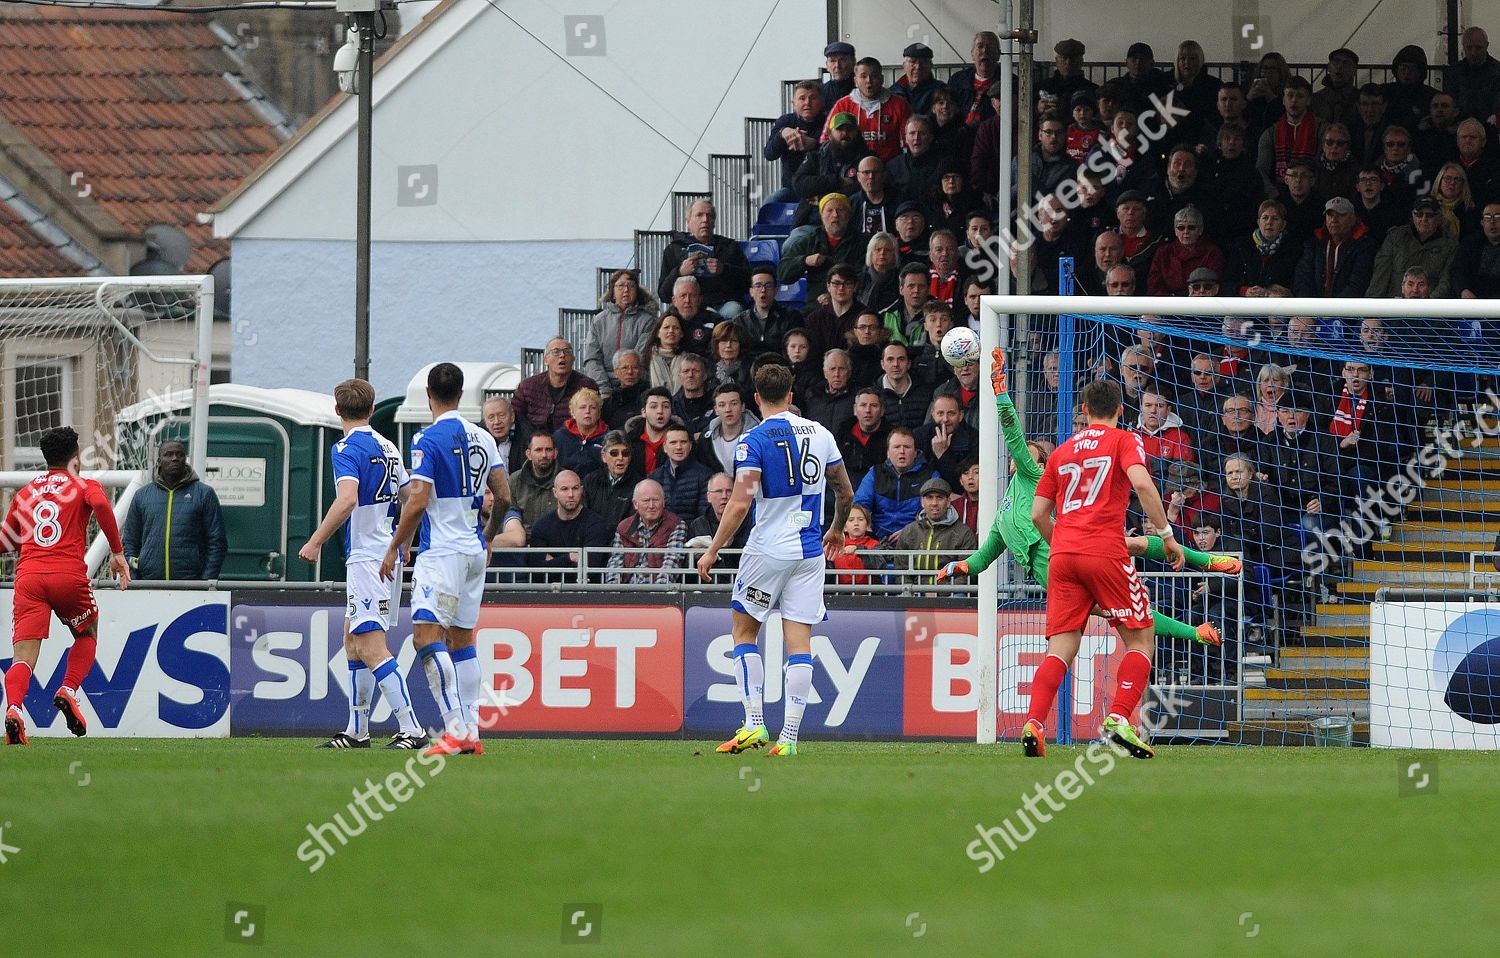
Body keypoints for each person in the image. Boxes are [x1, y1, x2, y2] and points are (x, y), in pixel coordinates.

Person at [937, 350, 1233, 669]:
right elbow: (985, 556)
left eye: (1030, 453)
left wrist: (1000, 391)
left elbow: (1012, 432)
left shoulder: (1032, 474)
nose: (1022, 455)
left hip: (1065, 551)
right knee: (1118, 604)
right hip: (1051, 569)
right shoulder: (1002, 514)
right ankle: (1196, 630)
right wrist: (960, 567)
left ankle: (1207, 562)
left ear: (1036, 464)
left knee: (1125, 574)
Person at [698, 363, 854, 757]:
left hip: (768, 550)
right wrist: (835, 529)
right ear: (791, 394)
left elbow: (739, 502)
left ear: (755, 399)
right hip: (810, 552)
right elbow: (846, 492)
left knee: (744, 632)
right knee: (799, 643)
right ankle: (789, 739)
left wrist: (714, 548)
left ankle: (753, 724)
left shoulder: (753, 441)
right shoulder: (821, 434)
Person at [1023, 376, 1183, 759]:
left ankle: (1033, 723)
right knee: (1141, 638)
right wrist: (1166, 534)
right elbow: (1143, 485)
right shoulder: (1124, 440)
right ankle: (1118, 719)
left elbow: (1038, 514)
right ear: (1121, 410)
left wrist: (1061, 544)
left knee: (1061, 647)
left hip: (1063, 556)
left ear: (1083, 410)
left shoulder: (1061, 452)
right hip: (1105, 551)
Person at [380, 363, 508, 758]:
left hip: (443, 554)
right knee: (461, 640)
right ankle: (470, 728)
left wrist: (395, 544)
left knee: (425, 637)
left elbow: (417, 499)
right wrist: (488, 536)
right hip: (472, 550)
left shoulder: (427, 439)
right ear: (461, 392)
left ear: (429, 396)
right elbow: (503, 496)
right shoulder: (483, 437)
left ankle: (456, 731)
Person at [297, 379, 426, 749]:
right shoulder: (388, 446)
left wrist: (315, 540)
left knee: (370, 645)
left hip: (369, 558)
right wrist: (404, 541)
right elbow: (408, 496)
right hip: (382, 554)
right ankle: (357, 731)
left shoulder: (346, 448)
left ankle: (412, 729)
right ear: (371, 409)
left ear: (338, 411)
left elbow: (347, 499)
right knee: (352, 642)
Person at [0, 426, 130, 745]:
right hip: (67, 575)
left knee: (23, 656)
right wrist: (117, 552)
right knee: (87, 633)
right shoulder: (83, 484)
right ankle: (68, 689)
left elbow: (6, 541)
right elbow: (100, 506)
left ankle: (14, 709)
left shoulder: (27, 493)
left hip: (29, 577)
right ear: (76, 457)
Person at [121, 439, 227, 581]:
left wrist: (205, 581)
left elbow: (217, 542)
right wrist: (136, 576)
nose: (175, 458)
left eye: (179, 454)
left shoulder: (204, 494)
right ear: (159, 461)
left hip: (191, 586)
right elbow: (130, 543)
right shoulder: (142, 496)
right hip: (149, 585)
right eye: (168, 455)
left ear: (185, 459)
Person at [656, 200, 750, 316]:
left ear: (714, 223)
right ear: (688, 222)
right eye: (699, 215)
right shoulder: (673, 250)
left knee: (735, 310)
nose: (705, 220)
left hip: (725, 304)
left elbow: (748, 282)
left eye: (709, 215)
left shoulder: (729, 247)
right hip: (691, 306)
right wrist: (679, 272)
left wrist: (724, 270)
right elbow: (663, 295)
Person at [822, 56, 912, 162]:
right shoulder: (843, 105)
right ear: (855, 81)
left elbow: (909, 141)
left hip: (889, 168)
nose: (869, 81)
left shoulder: (899, 104)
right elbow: (825, 139)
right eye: (863, 76)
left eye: (874, 76)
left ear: (882, 79)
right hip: (853, 168)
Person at [528, 470, 611, 582]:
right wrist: (570, 558)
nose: (571, 495)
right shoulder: (541, 525)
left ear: (581, 490)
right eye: (564, 489)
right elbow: (536, 573)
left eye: (575, 488)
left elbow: (589, 570)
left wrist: (552, 563)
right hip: (550, 595)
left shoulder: (596, 524)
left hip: (587, 595)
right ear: (555, 492)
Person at [1367, 196, 1457, 297]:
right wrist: (1371, 304)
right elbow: (1380, 275)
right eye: (1419, 214)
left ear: (1439, 217)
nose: (1424, 219)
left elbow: (1446, 281)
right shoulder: (1395, 237)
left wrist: (1428, 304)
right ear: (1412, 216)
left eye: (1430, 215)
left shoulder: (1450, 244)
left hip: (1431, 306)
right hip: (1395, 305)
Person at [854, 427, 935, 539]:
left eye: (907, 447)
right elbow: (860, 506)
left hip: (916, 539)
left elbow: (935, 511)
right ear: (888, 452)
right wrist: (869, 531)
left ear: (916, 452)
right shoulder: (875, 473)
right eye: (896, 447)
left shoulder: (930, 475)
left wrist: (910, 531)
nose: (902, 451)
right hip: (877, 539)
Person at [582, 270, 657, 391]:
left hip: (635, 385)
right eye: (620, 285)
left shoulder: (648, 320)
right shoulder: (599, 320)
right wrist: (603, 387)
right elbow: (592, 358)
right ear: (612, 292)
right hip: (603, 385)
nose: (626, 290)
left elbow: (639, 357)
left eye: (631, 285)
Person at [887, 476, 977, 576]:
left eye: (939, 497)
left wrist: (941, 591)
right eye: (929, 498)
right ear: (922, 502)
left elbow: (965, 574)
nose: (934, 503)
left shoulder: (964, 533)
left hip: (951, 591)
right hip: (914, 590)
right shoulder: (909, 531)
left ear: (948, 502)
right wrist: (914, 590)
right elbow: (901, 571)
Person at [605, 479, 687, 585]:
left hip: (659, 593)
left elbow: (672, 562)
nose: (651, 506)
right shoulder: (624, 527)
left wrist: (657, 592)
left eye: (656, 500)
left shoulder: (676, 525)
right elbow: (615, 561)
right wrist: (613, 591)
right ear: (635, 504)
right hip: (627, 591)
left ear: (663, 502)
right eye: (646, 501)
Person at [510, 337, 598, 434]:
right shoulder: (527, 386)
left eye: (567, 351)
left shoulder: (586, 385)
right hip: (534, 442)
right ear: (546, 360)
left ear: (573, 359)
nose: (562, 355)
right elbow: (515, 416)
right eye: (556, 352)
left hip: (571, 441)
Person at [763, 79, 826, 202]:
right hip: (790, 189)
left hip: (820, 188)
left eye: (812, 98)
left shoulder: (827, 121)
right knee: (770, 203)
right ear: (793, 104)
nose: (807, 103)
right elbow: (769, 154)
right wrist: (782, 135)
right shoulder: (785, 121)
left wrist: (814, 144)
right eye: (802, 98)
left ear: (821, 102)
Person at [650, 423, 712, 522]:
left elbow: (704, 516)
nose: (679, 447)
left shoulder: (705, 475)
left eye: (683, 442)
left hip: (694, 535)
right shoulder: (654, 478)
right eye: (673, 442)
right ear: (665, 447)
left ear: (690, 446)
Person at [915, 393, 977, 489]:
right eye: (940, 413)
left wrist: (942, 454)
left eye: (951, 413)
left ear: (960, 415)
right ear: (933, 414)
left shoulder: (973, 439)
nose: (945, 419)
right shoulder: (919, 436)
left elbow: (962, 482)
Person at [583, 430, 641, 530]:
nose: (620, 458)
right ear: (604, 456)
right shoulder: (590, 481)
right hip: (593, 537)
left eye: (625, 453)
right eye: (614, 453)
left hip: (623, 540)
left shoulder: (638, 485)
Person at [696, 383, 759, 474]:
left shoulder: (758, 435)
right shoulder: (706, 438)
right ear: (716, 410)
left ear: (742, 406)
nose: (728, 409)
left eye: (734, 404)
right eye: (722, 405)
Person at [876, 342, 932, 429]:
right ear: (882, 364)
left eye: (901, 359)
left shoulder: (926, 392)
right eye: (890, 359)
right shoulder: (875, 395)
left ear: (909, 364)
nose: (896, 364)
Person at [803, 348, 855, 429]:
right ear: (825, 373)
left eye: (841, 369)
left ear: (849, 372)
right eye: (832, 369)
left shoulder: (857, 398)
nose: (836, 374)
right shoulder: (812, 396)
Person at [671, 352, 714, 437]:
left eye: (696, 371)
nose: (690, 375)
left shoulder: (715, 403)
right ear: (680, 377)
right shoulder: (672, 405)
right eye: (686, 371)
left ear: (705, 376)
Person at [603, 349, 647, 430]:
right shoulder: (607, 405)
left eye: (635, 367)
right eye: (624, 368)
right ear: (616, 372)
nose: (630, 372)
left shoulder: (649, 399)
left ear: (641, 371)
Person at [482, 395, 528, 473]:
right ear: (485, 422)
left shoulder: (526, 437)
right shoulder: (480, 439)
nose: (497, 422)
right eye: (491, 417)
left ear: (512, 416)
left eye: (501, 415)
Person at [643, 311, 685, 392]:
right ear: (658, 333)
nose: (671, 331)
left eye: (676, 328)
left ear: (681, 334)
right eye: (666, 327)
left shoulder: (688, 360)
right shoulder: (646, 359)